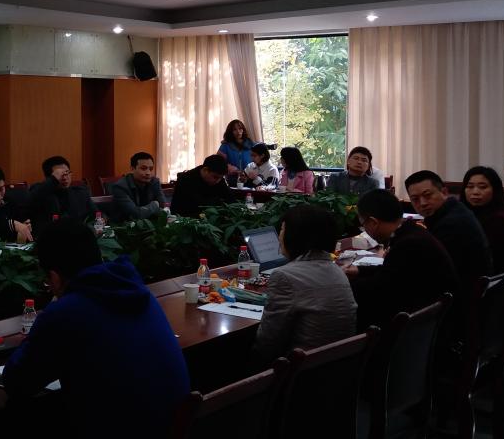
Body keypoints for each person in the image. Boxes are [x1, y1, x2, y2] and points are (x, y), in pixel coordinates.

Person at [2, 221, 189, 439]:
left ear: (54, 277)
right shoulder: (139, 292)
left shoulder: (66, 312)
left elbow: (17, 381)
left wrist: (50, 316)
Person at [252, 205, 357, 365]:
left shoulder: (284, 276)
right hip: (339, 366)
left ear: (294, 236)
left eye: (282, 230)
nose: (279, 237)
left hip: (301, 371)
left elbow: (268, 342)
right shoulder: (337, 270)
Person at [345, 188, 457, 329]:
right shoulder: (413, 231)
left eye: (363, 225)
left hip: (421, 324)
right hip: (430, 312)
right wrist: (359, 271)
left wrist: (342, 285)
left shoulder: (408, 244)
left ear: (373, 222)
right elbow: (393, 272)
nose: (365, 229)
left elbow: (380, 288)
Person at [404, 170, 492, 291]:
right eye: (415, 199)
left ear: (444, 192)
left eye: (428, 195)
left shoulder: (451, 224)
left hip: (464, 294)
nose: (422, 203)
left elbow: (431, 269)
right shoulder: (455, 209)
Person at [461, 166, 504, 274]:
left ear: (495, 190)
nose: (475, 192)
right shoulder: (465, 214)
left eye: (483, 187)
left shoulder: (498, 220)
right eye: (470, 186)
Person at [27, 156, 96, 232]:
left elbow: (96, 214)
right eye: (60, 175)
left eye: (67, 173)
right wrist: (53, 180)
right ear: (49, 177)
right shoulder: (40, 191)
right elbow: (30, 200)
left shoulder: (80, 192)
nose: (65, 178)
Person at [169, 154, 237, 218]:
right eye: (215, 177)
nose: (218, 181)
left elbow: (231, 200)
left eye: (221, 178)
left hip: (209, 217)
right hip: (186, 218)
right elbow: (194, 206)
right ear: (205, 170)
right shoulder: (186, 180)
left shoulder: (218, 179)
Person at [109, 151, 167, 221]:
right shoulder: (120, 187)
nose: (148, 173)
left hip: (150, 224)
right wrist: (155, 204)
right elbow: (136, 215)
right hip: (125, 225)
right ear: (132, 169)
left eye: (151, 169)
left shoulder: (154, 182)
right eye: (143, 168)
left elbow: (164, 206)